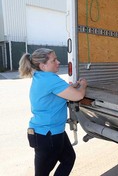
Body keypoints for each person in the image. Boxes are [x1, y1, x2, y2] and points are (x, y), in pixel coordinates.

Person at [18, 48, 87, 176]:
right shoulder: (50, 79)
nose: (58, 62)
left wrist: (69, 88)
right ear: (43, 65)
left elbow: (54, 92)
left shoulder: (40, 76)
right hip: (48, 135)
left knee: (68, 158)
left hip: (51, 132)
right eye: (54, 60)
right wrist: (83, 85)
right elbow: (78, 96)